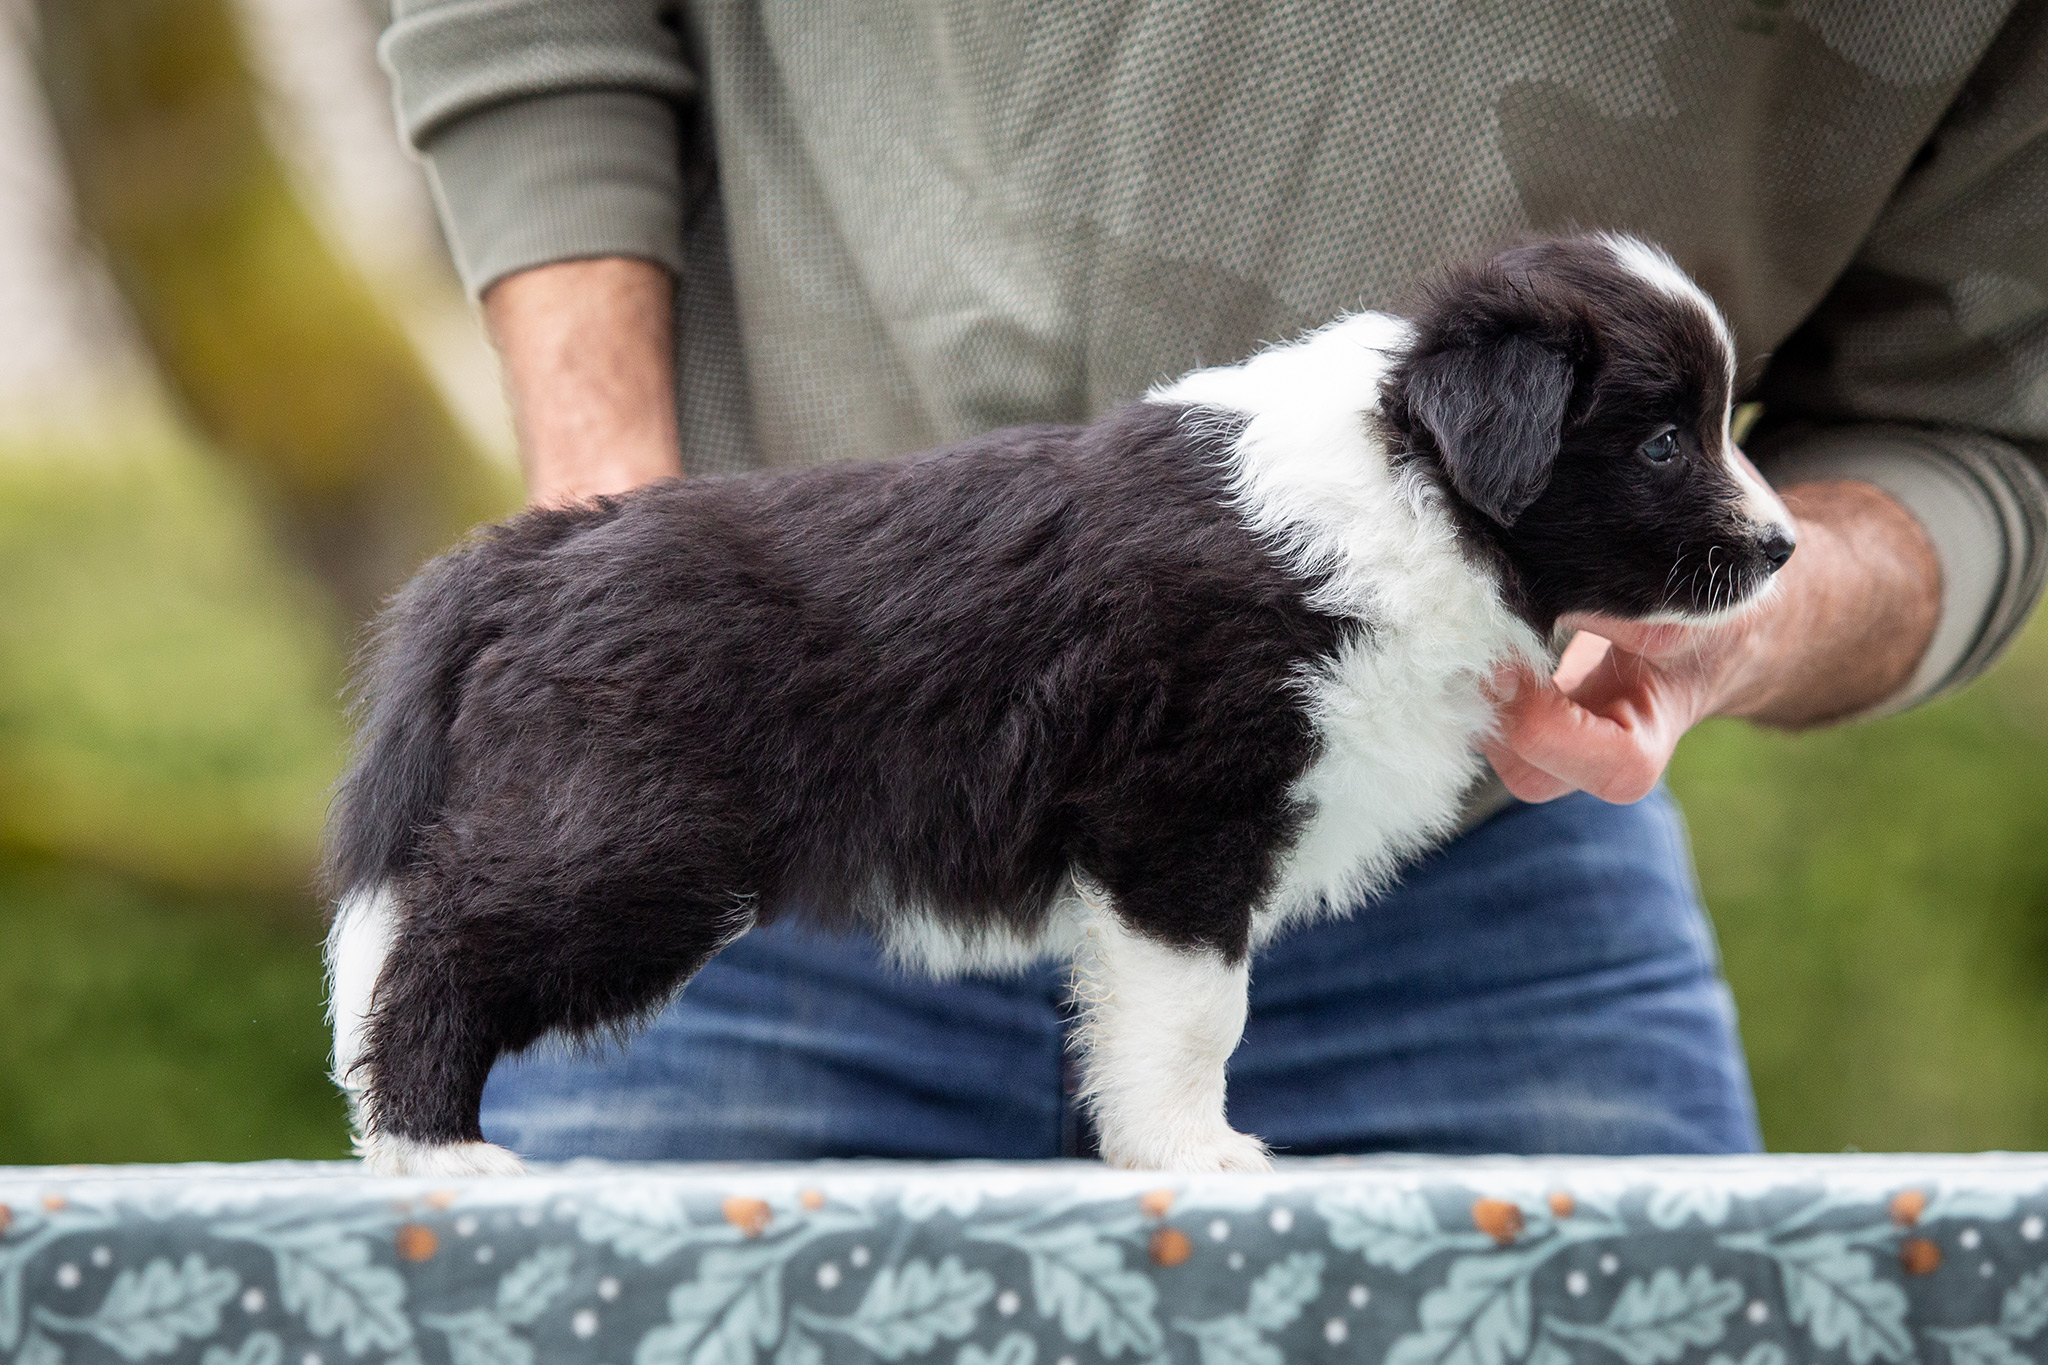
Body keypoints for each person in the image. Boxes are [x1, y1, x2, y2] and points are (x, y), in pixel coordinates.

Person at [374, 0, 2047, 1160]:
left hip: (1486, 867)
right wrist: (623, 563)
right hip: (793, 770)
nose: (1727, 498)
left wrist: (1731, 637)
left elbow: (1977, 434)